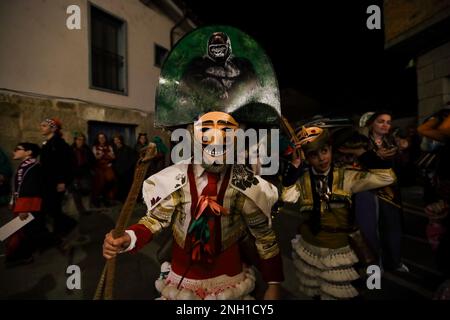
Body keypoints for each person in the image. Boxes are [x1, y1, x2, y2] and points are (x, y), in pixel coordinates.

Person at [102, 26, 284, 300]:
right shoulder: (175, 178)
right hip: (180, 282)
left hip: (230, 282)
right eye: (207, 126)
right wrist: (127, 238)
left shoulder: (248, 186)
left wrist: (273, 284)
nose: (215, 136)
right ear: (191, 133)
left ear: (240, 134)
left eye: (226, 128)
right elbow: (154, 222)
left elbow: (265, 239)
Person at [281, 126, 396, 299]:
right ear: (306, 157)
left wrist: (361, 153)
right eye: (314, 155)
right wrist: (292, 172)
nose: (321, 159)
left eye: (325, 151)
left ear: (331, 150)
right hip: (309, 247)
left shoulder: (347, 177)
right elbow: (288, 197)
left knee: (338, 293)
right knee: (315, 292)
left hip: (338, 249)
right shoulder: (302, 180)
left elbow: (387, 178)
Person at [357, 111, 409, 272]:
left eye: (388, 122)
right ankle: (373, 265)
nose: (386, 125)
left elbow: (402, 169)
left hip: (389, 192)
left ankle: (394, 262)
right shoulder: (361, 143)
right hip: (366, 191)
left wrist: (403, 151)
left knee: (392, 227)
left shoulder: (393, 141)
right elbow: (355, 163)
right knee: (369, 229)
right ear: (372, 123)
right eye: (381, 121)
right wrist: (375, 156)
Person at [5, 143, 49, 267]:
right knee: (21, 232)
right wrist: (12, 201)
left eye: (17, 149)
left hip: (27, 205)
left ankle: (23, 256)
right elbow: (19, 186)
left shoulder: (33, 167)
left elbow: (31, 189)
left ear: (28, 152)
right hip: (21, 204)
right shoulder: (25, 166)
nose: (14, 151)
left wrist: (23, 208)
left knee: (23, 233)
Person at [40, 118, 77, 241]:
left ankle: (63, 230)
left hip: (56, 182)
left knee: (54, 207)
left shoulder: (59, 144)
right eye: (42, 125)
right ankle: (60, 230)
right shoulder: (47, 143)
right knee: (51, 207)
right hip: (48, 181)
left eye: (44, 126)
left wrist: (62, 181)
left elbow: (64, 163)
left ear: (53, 128)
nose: (41, 127)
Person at [70, 132, 96, 214]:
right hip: (74, 173)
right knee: (75, 190)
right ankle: (81, 210)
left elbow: (93, 160)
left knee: (87, 188)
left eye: (82, 140)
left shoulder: (87, 149)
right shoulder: (71, 149)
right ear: (75, 140)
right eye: (78, 139)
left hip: (85, 172)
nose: (80, 141)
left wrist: (90, 168)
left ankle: (87, 206)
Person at [92, 133, 116, 207]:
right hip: (99, 168)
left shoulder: (109, 147)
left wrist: (109, 156)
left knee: (110, 182)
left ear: (105, 139)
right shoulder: (95, 147)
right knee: (99, 184)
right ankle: (97, 201)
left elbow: (113, 157)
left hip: (108, 168)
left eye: (103, 138)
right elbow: (94, 158)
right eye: (100, 138)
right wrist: (100, 156)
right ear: (98, 139)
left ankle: (107, 200)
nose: (102, 139)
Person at [112, 134, 137, 202]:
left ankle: (128, 200)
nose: (117, 141)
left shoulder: (128, 149)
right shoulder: (113, 149)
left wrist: (127, 168)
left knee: (127, 186)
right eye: (115, 140)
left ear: (121, 140)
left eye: (118, 139)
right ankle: (121, 199)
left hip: (127, 171)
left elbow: (133, 160)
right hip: (118, 172)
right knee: (119, 186)